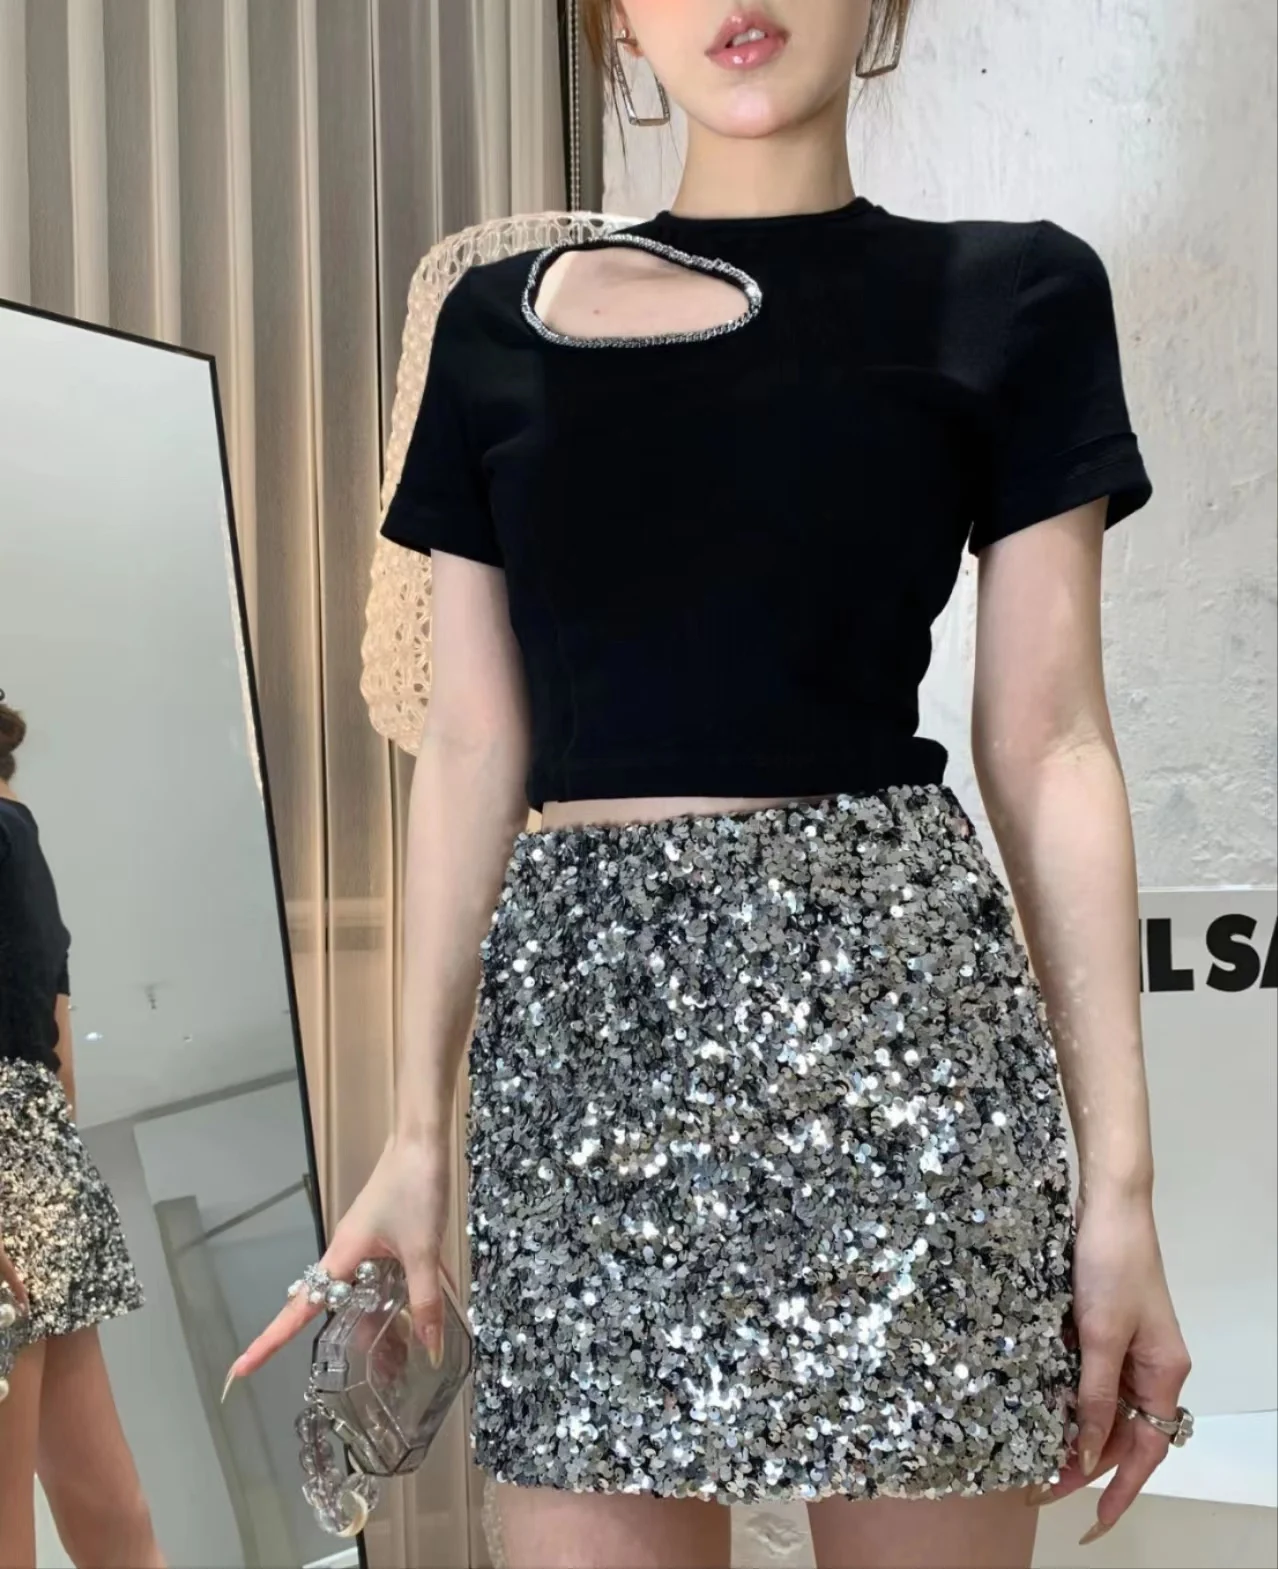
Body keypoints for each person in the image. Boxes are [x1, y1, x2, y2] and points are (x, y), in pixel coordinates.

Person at [230, 3, 1193, 1565]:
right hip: (583, 1067)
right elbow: (472, 747)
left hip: (901, 1057)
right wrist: (414, 1135)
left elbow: (1049, 743)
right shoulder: (493, 323)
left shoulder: (1013, 291)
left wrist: (1120, 1196)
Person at [0, 697, 163, 1569]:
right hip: (33, 1156)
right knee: (91, 1518)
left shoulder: (15, 834)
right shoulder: (19, 831)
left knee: (107, 1515)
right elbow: (54, 1045)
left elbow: (52, 1035)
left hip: (31, 1159)